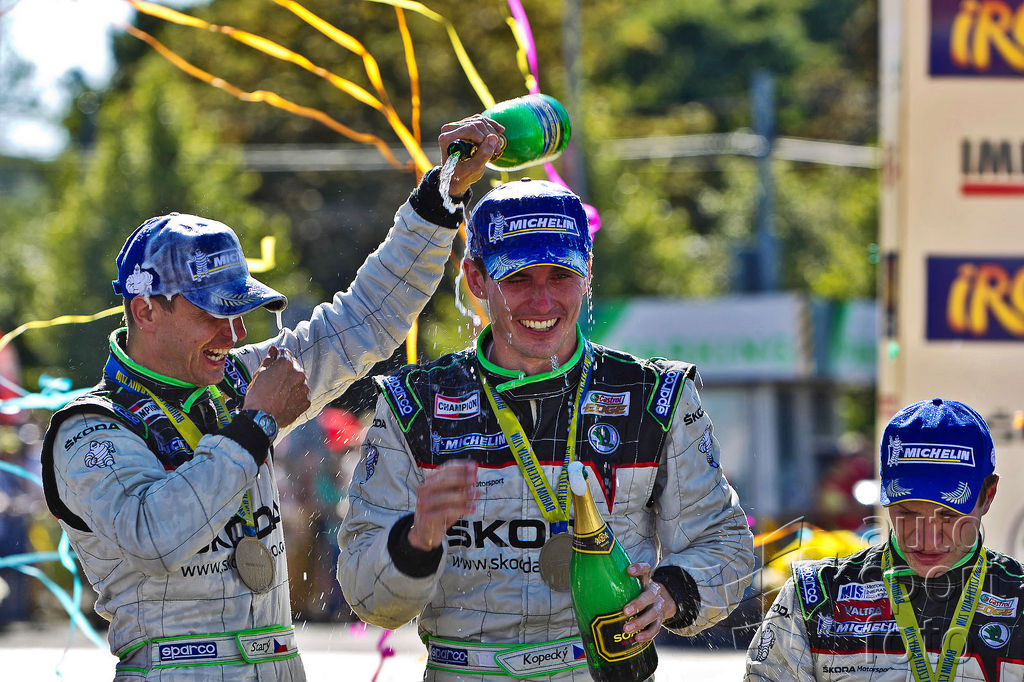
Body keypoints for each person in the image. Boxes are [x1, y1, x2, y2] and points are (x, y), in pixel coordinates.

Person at [39, 116, 503, 680]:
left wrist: (441, 196)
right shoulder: (88, 429)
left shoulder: (238, 379)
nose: (235, 334)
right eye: (213, 313)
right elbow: (156, 538)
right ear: (145, 310)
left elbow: (366, 320)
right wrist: (256, 423)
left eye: (240, 311)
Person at [337, 177, 755, 680]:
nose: (542, 301)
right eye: (517, 278)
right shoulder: (414, 403)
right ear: (476, 279)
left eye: (561, 275)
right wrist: (417, 539)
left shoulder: (655, 396)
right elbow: (368, 599)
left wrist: (670, 594)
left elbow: (725, 543)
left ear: (588, 273)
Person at [745, 397, 1023, 681]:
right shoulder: (813, 597)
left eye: (949, 516)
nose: (927, 537)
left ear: (988, 495)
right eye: (907, 513)